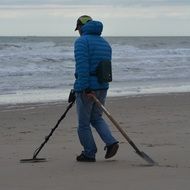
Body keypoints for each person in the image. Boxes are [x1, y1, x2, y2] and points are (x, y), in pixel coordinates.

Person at [73, 15, 119, 162]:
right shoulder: (105, 43)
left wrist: (84, 87)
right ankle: (111, 142)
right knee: (96, 118)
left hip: (88, 87)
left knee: (83, 124)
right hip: (102, 86)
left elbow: (82, 67)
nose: (78, 31)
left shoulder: (82, 42)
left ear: (82, 26)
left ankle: (89, 153)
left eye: (78, 28)